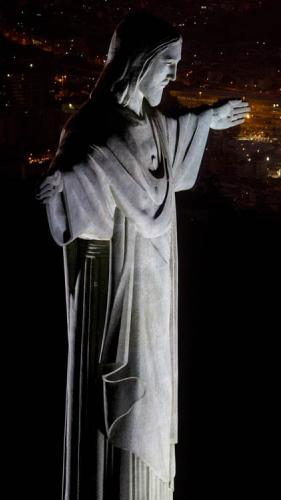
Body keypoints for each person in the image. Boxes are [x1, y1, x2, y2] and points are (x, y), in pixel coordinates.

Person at [35, 12, 249, 499]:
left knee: (153, 396)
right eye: (168, 64)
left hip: (153, 286)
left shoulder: (151, 121)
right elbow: (77, 193)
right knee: (123, 405)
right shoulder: (90, 127)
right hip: (115, 291)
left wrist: (207, 120)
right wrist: (60, 189)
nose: (174, 75)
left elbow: (171, 153)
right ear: (139, 63)